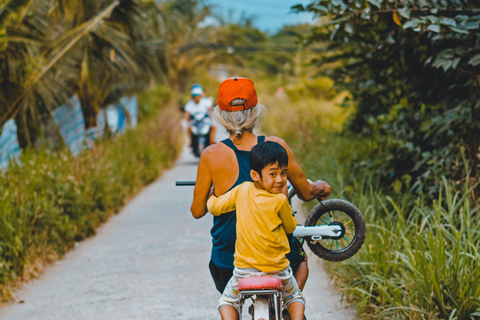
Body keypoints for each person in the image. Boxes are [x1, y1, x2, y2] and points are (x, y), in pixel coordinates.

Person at [190, 77, 331, 295]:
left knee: (230, 300)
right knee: (300, 261)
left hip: (228, 262)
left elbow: (198, 211)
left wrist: (211, 194)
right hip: (277, 260)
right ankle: (288, 307)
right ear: (256, 111)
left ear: (220, 115)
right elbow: (305, 192)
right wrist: (319, 187)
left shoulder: (210, 155)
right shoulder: (276, 146)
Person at [207, 141, 305, 320]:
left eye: (284, 173)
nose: (280, 179)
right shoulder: (280, 201)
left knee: (227, 302)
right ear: (255, 174)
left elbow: (215, 208)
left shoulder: (242, 190)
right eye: (273, 174)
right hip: (278, 270)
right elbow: (290, 228)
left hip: (245, 270)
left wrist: (212, 196)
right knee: (295, 298)